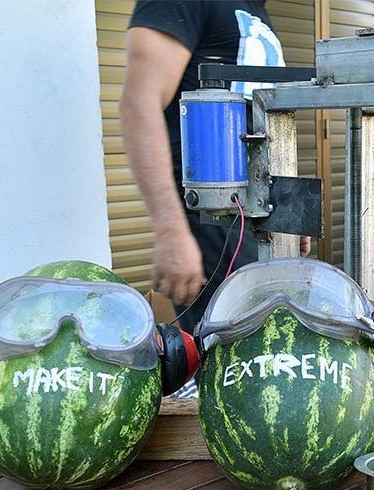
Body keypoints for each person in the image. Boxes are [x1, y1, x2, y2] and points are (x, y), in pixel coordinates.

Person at [122, 1, 309, 332]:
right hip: (212, 222)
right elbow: (139, 102)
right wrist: (170, 230)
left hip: (261, 219)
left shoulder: (254, 10)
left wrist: (290, 206)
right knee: (229, 359)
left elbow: (268, 117)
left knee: (273, 348)